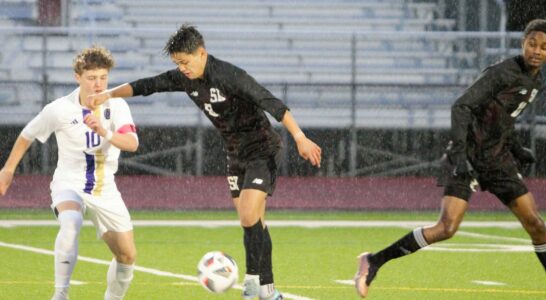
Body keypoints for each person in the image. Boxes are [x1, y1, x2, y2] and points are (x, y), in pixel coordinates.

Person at [86, 24, 322, 300]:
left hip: (263, 150)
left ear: (201, 53)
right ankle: (268, 292)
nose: (182, 68)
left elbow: (271, 102)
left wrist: (300, 136)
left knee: (248, 215)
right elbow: (148, 85)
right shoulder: (186, 78)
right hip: (235, 154)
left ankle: (251, 285)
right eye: (177, 63)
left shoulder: (229, 75)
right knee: (253, 222)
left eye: (185, 62)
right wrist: (108, 94)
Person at [354, 19, 546, 299]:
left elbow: (502, 117)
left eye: (544, 47)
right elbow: (462, 106)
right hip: (468, 154)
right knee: (446, 228)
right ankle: (374, 261)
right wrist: (459, 154)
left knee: (536, 224)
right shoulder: (502, 73)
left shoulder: (535, 80)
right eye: (532, 44)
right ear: (523, 43)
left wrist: (516, 148)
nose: (537, 51)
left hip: (497, 159)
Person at [0, 47, 139, 300]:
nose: (98, 84)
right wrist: (8, 169)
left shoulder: (117, 105)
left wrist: (105, 132)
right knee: (71, 222)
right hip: (69, 182)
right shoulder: (59, 109)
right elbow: (27, 135)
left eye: (103, 78)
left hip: (105, 188)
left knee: (127, 256)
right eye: (91, 78)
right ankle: (61, 294)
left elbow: (132, 143)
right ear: (78, 77)